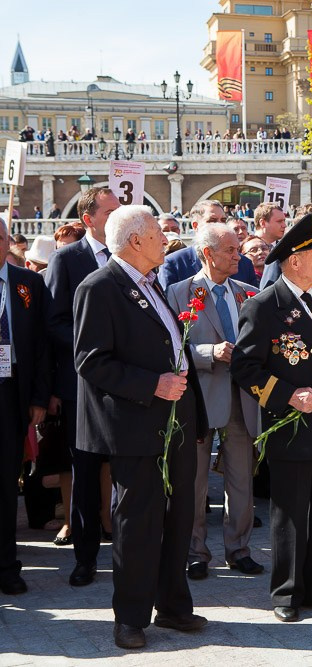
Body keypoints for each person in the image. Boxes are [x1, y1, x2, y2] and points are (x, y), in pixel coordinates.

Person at [74, 205, 209, 649]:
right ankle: (130, 617)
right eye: (155, 231)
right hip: (135, 425)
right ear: (135, 241)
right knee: (137, 522)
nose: (164, 238)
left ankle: (173, 605)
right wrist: (153, 384)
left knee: (178, 516)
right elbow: (91, 361)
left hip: (175, 425)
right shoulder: (100, 287)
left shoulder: (152, 284)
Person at [231, 214, 312, 622]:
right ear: (294, 260)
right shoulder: (264, 305)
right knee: (289, 514)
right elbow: (245, 369)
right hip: (291, 422)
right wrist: (289, 395)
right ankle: (287, 593)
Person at [166, 224, 263, 580]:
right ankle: (195, 552)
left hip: (243, 399)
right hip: (199, 400)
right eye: (230, 251)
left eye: (238, 250)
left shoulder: (249, 295)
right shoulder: (178, 293)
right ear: (207, 253)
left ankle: (239, 550)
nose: (238, 257)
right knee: (194, 480)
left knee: (242, 480)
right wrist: (209, 352)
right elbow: (170, 349)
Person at [44, 187, 120, 588]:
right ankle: (86, 558)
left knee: (125, 469)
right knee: (87, 472)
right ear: (89, 218)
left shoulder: (131, 254)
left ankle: (130, 552)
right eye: (110, 211)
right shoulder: (67, 259)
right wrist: (96, 345)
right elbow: (54, 320)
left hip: (128, 386)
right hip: (84, 386)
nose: (117, 216)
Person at [0, 217, 50, 595]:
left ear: (7, 242)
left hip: (11, 395)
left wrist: (38, 398)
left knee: (5, 485)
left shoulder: (27, 284)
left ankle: (7, 566)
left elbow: (41, 347)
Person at [158, 200, 257, 289]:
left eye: (223, 220)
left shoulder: (244, 264)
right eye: (212, 221)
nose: (220, 225)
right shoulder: (174, 264)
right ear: (195, 226)